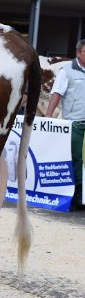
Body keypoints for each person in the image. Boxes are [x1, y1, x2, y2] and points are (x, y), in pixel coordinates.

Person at [45, 39, 85, 210]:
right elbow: (57, 94)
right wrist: (48, 116)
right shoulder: (66, 71)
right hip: (74, 123)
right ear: (78, 53)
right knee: (76, 158)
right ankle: (77, 195)